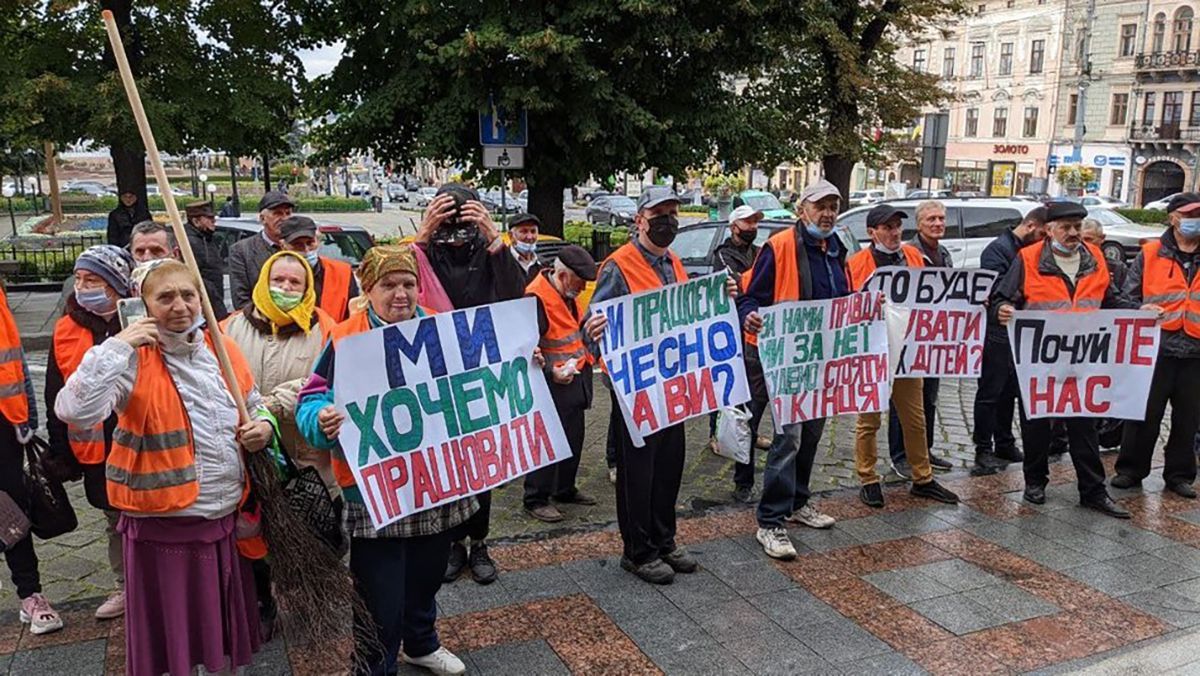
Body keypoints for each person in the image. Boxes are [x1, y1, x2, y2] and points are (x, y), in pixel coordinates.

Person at [54, 259, 274, 675]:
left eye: (188, 294)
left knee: (221, 640)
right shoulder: (130, 358)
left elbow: (253, 400)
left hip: (223, 518)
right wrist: (119, 346)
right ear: (144, 304)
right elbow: (74, 410)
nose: (180, 305)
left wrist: (262, 425)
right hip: (163, 524)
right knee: (172, 644)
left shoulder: (220, 348)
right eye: (166, 296)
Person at [296, 246, 472, 676]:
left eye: (408, 284)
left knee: (428, 573)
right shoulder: (345, 338)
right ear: (367, 289)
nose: (400, 294)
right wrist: (320, 418)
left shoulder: (439, 329)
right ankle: (374, 666)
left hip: (434, 480)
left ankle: (421, 642)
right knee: (379, 590)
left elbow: (477, 376)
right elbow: (311, 398)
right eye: (388, 285)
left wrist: (524, 364)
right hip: (374, 488)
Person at [583, 186, 736, 584]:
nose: (668, 221)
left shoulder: (674, 263)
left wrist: (722, 298)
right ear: (639, 220)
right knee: (639, 472)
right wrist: (594, 331)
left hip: (672, 388)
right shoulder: (618, 266)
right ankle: (638, 550)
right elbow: (591, 327)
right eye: (659, 214)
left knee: (669, 466)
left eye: (672, 213)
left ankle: (664, 539)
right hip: (635, 390)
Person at [992, 201, 1139, 518]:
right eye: (1066, 227)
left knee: (1084, 426)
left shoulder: (1095, 257)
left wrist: (1140, 312)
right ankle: (1035, 482)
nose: (1074, 233)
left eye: (1077, 226)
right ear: (1048, 229)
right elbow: (1002, 297)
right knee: (1037, 425)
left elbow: (1110, 300)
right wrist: (1001, 309)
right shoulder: (1027, 259)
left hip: (1083, 359)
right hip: (1039, 360)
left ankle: (1093, 491)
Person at [220, 250, 338, 637]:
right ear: (262, 282)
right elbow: (215, 377)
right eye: (278, 281)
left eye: (295, 283)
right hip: (250, 455)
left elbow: (320, 383)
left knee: (313, 532)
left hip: (305, 456)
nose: (286, 288)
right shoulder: (230, 328)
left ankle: (309, 595)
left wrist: (269, 409)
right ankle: (262, 602)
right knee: (254, 537)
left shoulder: (324, 328)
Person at [415, 184, 527, 585]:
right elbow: (400, 283)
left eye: (465, 221)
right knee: (447, 463)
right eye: (449, 221)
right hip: (437, 373)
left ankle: (479, 541)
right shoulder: (427, 250)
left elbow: (517, 293)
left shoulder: (488, 251)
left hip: (481, 372)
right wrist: (423, 238)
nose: (457, 231)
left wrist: (496, 240)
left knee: (482, 465)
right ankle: (451, 543)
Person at [738, 180, 845, 560]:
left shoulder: (837, 248)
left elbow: (843, 300)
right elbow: (751, 295)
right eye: (821, 206)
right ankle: (770, 522)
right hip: (786, 360)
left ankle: (799, 502)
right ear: (803, 209)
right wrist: (749, 315)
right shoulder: (780, 247)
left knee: (812, 433)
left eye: (833, 205)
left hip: (820, 360)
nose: (828, 213)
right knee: (789, 438)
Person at [847, 204, 960, 509]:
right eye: (887, 227)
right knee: (868, 420)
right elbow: (846, 305)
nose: (895, 232)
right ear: (872, 233)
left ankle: (922, 478)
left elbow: (932, 295)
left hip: (908, 350)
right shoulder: (858, 263)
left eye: (897, 226)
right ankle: (868, 478)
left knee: (915, 418)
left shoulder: (913, 256)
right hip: (873, 351)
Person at [44, 245, 135, 621]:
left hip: (142, 442)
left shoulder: (138, 321)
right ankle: (125, 587)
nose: (82, 287)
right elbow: (55, 390)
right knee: (114, 522)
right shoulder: (68, 326)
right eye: (79, 279)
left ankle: (155, 584)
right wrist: (60, 450)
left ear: (117, 285)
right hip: (97, 448)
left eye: (93, 280)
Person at [1111, 193, 1200, 499]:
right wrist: (1140, 310)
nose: (1195, 221)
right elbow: (1126, 297)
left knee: (1189, 419)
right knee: (1143, 414)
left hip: (1195, 352)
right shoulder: (1151, 254)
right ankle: (1130, 470)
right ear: (1173, 218)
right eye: (1189, 215)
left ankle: (1179, 474)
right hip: (1155, 349)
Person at [0, 283, 63, 635]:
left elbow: (13, 354)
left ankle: (30, 594)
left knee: (11, 509)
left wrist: (28, 415)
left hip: (4, 421)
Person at [522, 246, 598, 523]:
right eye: (579, 284)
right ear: (563, 275)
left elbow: (572, 332)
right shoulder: (536, 297)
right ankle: (536, 498)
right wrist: (550, 374)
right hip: (550, 382)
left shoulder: (566, 293)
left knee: (572, 437)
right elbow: (525, 349)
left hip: (573, 377)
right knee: (546, 440)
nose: (582, 290)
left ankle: (564, 488)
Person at [972, 207, 1047, 475]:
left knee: (1010, 392)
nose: (1043, 240)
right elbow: (996, 291)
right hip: (998, 332)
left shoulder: (1026, 250)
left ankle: (1004, 442)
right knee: (990, 392)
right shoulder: (997, 250)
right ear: (1030, 226)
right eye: (1041, 234)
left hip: (1021, 332)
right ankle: (983, 448)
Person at [887, 200, 954, 478]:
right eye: (931, 220)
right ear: (919, 224)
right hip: (908, 335)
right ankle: (900, 455)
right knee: (903, 400)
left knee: (929, 396)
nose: (937, 224)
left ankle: (924, 449)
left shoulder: (944, 253)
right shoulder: (909, 253)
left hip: (933, 337)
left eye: (940, 219)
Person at [713, 204, 771, 503]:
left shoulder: (761, 252)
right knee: (739, 401)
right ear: (734, 226)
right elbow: (738, 284)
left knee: (751, 408)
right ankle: (741, 478)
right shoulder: (723, 255)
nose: (752, 227)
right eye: (747, 222)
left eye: (755, 222)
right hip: (734, 335)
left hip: (759, 335)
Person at [276, 215, 358, 322]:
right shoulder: (273, 275)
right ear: (283, 246)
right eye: (297, 244)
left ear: (318, 241)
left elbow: (353, 318)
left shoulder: (342, 273)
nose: (306, 249)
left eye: (310, 243)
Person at [229, 191, 295, 311]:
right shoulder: (241, 251)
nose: (284, 219)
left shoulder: (299, 247)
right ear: (262, 218)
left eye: (288, 213)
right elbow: (241, 299)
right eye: (278, 213)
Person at [184, 201, 230, 321]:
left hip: (214, 300)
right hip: (206, 305)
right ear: (196, 221)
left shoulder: (207, 238)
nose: (214, 221)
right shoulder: (189, 243)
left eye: (213, 217)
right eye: (209, 218)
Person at [1081, 218, 1128, 290]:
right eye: (1080, 240)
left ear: (1102, 238)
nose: (1083, 244)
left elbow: (1126, 296)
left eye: (1088, 239)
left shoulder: (1117, 268)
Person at [509, 212, 543, 282]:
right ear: (511, 236)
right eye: (524, 231)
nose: (530, 237)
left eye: (533, 231)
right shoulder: (502, 262)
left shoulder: (543, 264)